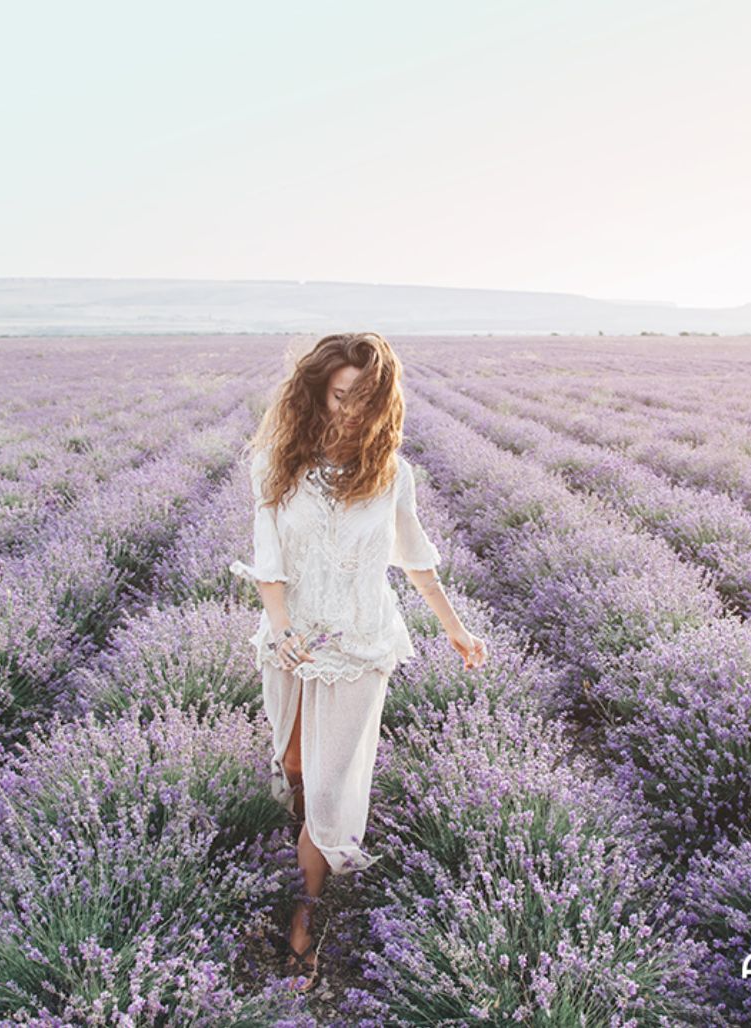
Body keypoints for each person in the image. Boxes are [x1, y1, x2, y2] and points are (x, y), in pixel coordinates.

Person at [229, 331, 487, 991]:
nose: (350, 410)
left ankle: (305, 922)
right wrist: (282, 628)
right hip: (292, 643)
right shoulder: (274, 463)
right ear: (316, 390)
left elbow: (417, 558)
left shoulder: (392, 473)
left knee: (325, 788)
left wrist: (456, 630)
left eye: (365, 400)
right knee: (291, 763)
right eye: (341, 395)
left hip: (360, 646)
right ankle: (306, 833)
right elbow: (268, 561)